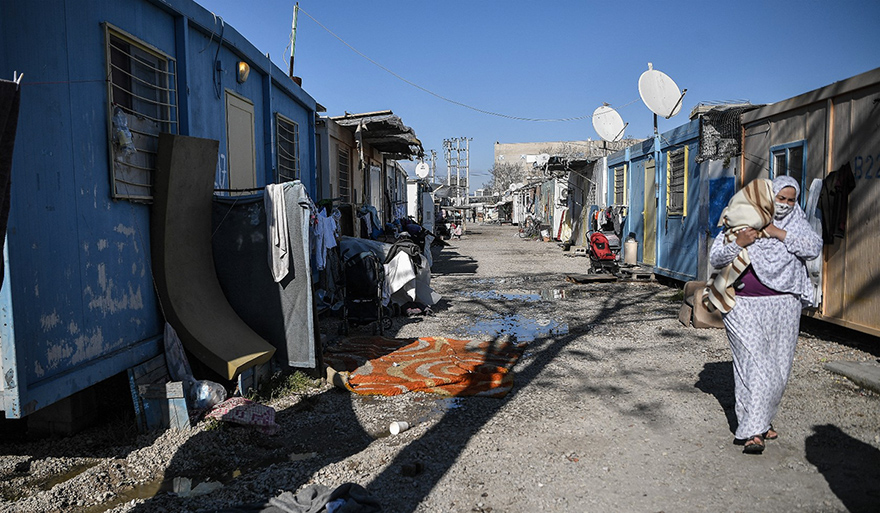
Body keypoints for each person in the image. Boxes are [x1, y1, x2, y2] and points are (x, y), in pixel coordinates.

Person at [708, 175, 822, 454]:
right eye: (779, 198)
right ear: (770, 197)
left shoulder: (797, 222)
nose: (783, 204)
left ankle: (762, 419)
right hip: (742, 304)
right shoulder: (746, 217)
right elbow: (716, 257)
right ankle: (751, 432)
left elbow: (813, 248)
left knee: (779, 368)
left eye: (789, 199)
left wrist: (776, 232)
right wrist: (740, 242)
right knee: (755, 363)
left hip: (785, 305)